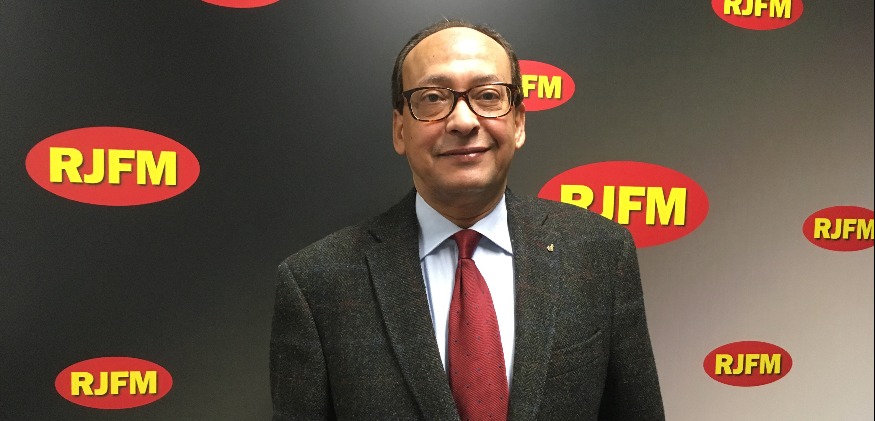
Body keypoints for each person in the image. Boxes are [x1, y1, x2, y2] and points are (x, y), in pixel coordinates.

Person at [270, 19, 664, 420]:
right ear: (400, 129)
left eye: (488, 95)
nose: (463, 121)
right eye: (432, 98)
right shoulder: (317, 283)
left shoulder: (599, 253)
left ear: (519, 122)